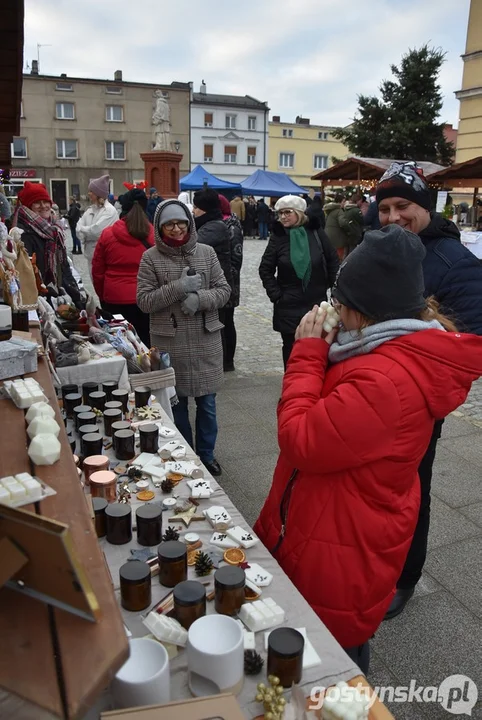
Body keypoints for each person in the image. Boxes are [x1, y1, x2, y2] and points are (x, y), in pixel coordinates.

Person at [254, 225, 482, 673]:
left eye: (340, 303)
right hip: (342, 521)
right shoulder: (380, 349)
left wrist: (306, 353)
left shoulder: (385, 380)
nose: (333, 310)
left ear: (363, 311)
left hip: (342, 543)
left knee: (329, 662)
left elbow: (301, 438)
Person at [375, 160, 482, 619]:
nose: (394, 216)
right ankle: (374, 562)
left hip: (417, 405)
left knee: (411, 488)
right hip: (371, 394)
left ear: (425, 206)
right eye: (384, 208)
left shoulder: (456, 263)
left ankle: (406, 576)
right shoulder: (379, 247)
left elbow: (469, 350)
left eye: (404, 206)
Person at [137, 200, 231, 477]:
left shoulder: (207, 252)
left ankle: (207, 454)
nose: (176, 228)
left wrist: (199, 299)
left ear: (189, 223)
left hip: (205, 339)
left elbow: (224, 291)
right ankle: (186, 453)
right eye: (169, 224)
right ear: (160, 227)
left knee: (208, 404)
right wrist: (179, 288)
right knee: (176, 404)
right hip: (171, 343)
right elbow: (144, 301)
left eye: (181, 222)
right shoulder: (150, 257)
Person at [259, 195, 339, 369]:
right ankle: (291, 387)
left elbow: (333, 261)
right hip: (288, 304)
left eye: (288, 212)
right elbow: (265, 269)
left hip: (316, 302)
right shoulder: (278, 237)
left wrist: (335, 293)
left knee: (318, 345)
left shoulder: (317, 233)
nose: (283, 217)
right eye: (280, 213)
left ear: (299, 213)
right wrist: (276, 295)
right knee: (290, 349)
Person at [91, 189, 153, 347]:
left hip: (114, 297)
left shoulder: (108, 234)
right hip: (145, 298)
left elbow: (97, 271)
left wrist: (103, 296)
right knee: (145, 343)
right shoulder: (153, 234)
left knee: (118, 343)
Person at [14, 181, 81, 307]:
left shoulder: (54, 230)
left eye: (45, 202)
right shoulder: (22, 232)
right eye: (37, 203)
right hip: (36, 300)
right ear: (28, 206)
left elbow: (63, 267)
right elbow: (27, 272)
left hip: (54, 296)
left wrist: (77, 298)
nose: (43, 206)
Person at [218, 194, 244, 371]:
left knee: (227, 321)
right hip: (225, 281)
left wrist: (228, 277)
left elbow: (237, 258)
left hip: (230, 282)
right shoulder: (223, 224)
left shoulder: (231, 226)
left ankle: (228, 361)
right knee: (223, 321)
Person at [76, 175, 118, 276]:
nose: (89, 194)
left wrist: (83, 230)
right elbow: (78, 228)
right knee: (94, 286)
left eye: (91, 191)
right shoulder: (90, 209)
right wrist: (85, 231)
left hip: (104, 257)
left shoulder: (109, 210)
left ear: (99, 194)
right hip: (90, 256)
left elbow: (97, 232)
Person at [324, 193, 348, 259]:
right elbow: (343, 223)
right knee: (339, 256)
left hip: (328, 235)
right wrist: (348, 225)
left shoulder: (330, 210)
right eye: (343, 201)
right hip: (337, 237)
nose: (344, 203)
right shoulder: (339, 211)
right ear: (339, 202)